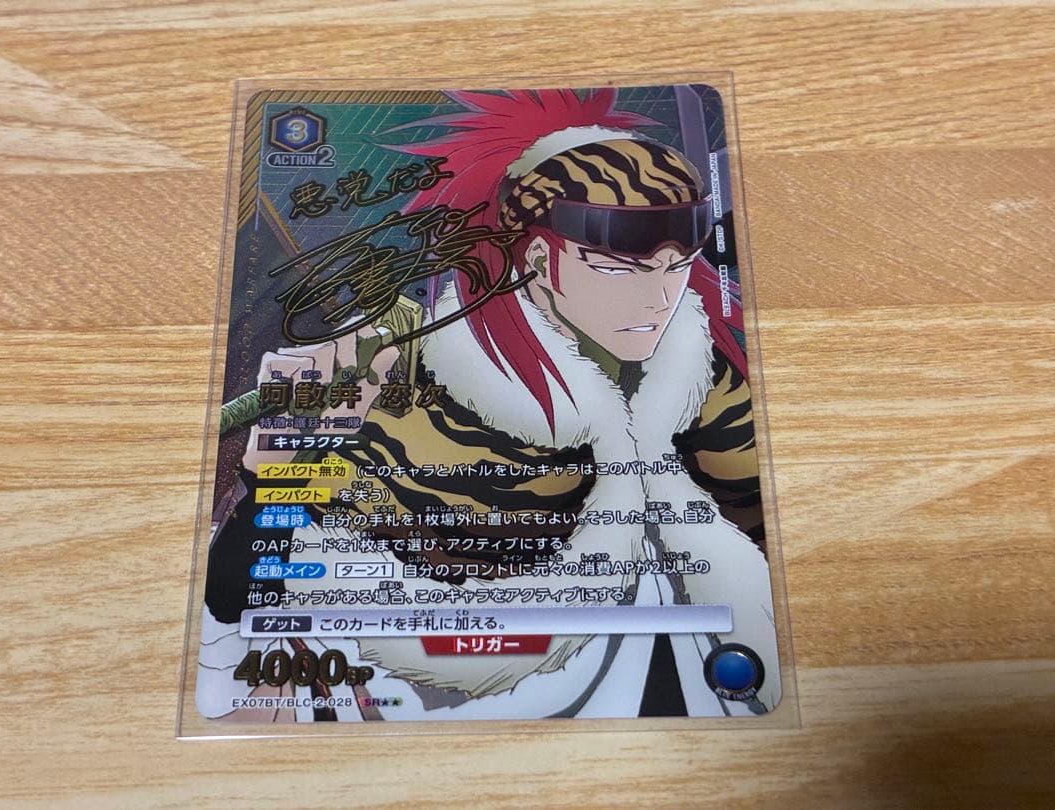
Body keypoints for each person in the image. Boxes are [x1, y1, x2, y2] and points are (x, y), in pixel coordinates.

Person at [197, 88, 780, 721]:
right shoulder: (410, 355)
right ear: (540, 258)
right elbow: (238, 585)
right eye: (618, 268)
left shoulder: (697, 375)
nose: (658, 298)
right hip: (392, 668)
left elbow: (764, 535)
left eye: (675, 265)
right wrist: (283, 459)